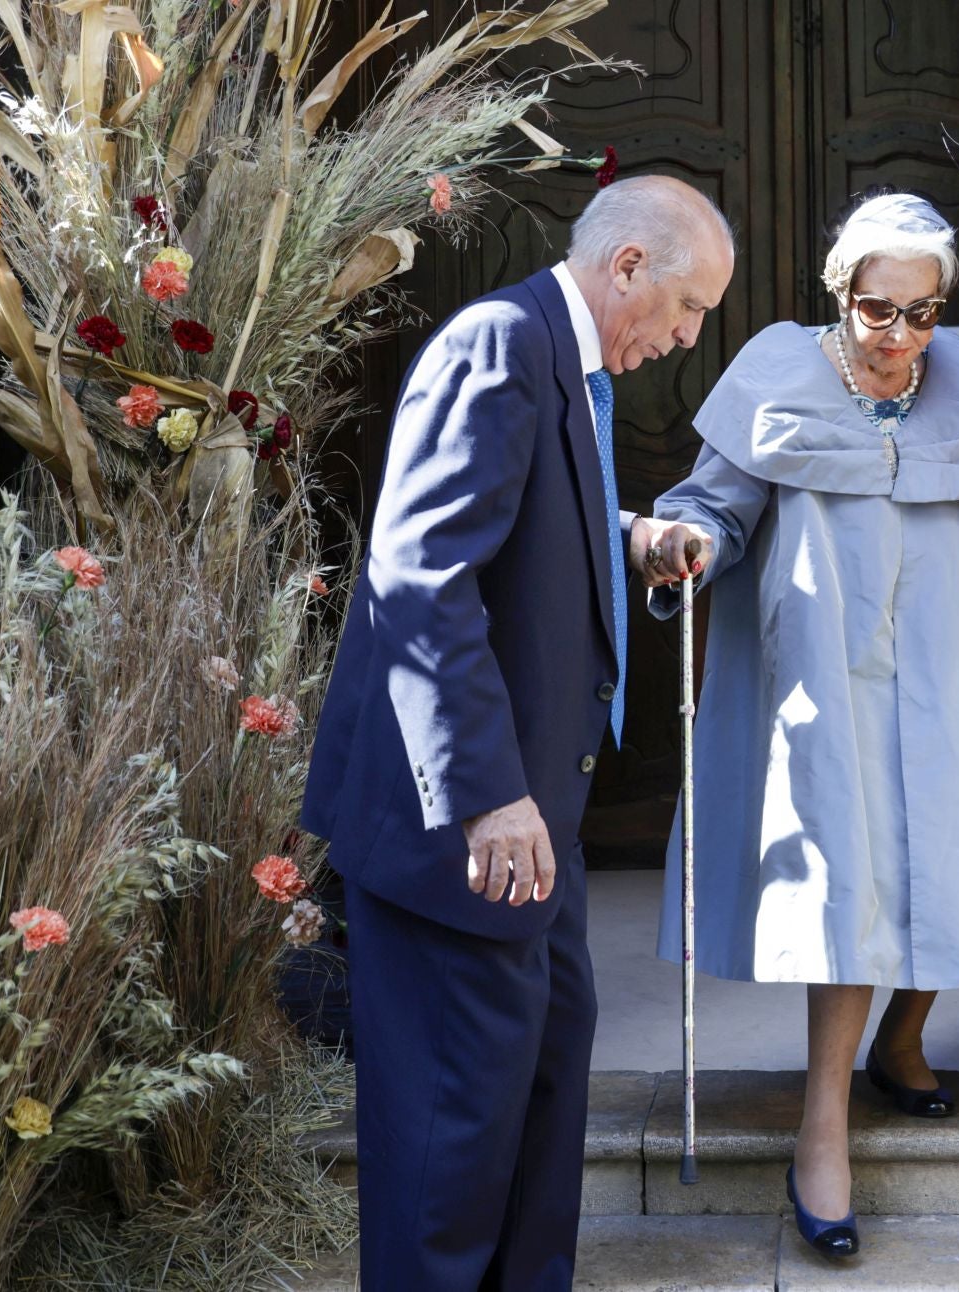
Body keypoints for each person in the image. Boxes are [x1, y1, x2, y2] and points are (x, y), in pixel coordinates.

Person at [301, 176, 734, 1291]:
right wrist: (489, 793)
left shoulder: (560, 356)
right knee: (451, 1155)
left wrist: (634, 539)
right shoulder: (500, 344)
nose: (685, 340)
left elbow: (524, 522)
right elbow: (423, 576)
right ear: (629, 266)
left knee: (535, 1125)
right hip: (472, 829)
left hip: (544, 822)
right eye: (688, 311)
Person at [629, 191, 959, 1261]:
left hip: (949, 665)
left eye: (924, 314)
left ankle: (902, 1042)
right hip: (823, 666)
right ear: (841, 294)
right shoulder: (779, 368)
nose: (903, 337)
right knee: (847, 883)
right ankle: (822, 1129)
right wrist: (680, 541)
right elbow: (715, 508)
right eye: (881, 311)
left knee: (950, 857)